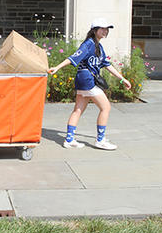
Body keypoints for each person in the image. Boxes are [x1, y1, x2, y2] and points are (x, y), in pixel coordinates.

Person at [47, 17, 131, 150]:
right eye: (102, 29)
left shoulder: (98, 46)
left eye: (107, 29)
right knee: (106, 107)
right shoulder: (89, 44)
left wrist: (122, 79)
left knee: (78, 110)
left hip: (84, 79)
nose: (105, 31)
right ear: (95, 30)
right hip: (87, 79)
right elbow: (74, 57)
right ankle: (100, 140)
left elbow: (107, 65)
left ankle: (69, 140)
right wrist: (57, 67)